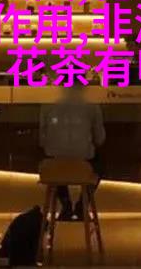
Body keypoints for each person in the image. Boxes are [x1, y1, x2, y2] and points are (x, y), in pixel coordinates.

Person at [39, 85, 106, 220]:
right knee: (100, 166)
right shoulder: (92, 105)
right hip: (83, 164)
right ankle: (82, 205)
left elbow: (41, 140)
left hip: (53, 166)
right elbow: (100, 139)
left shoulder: (47, 104)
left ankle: (66, 204)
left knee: (56, 164)